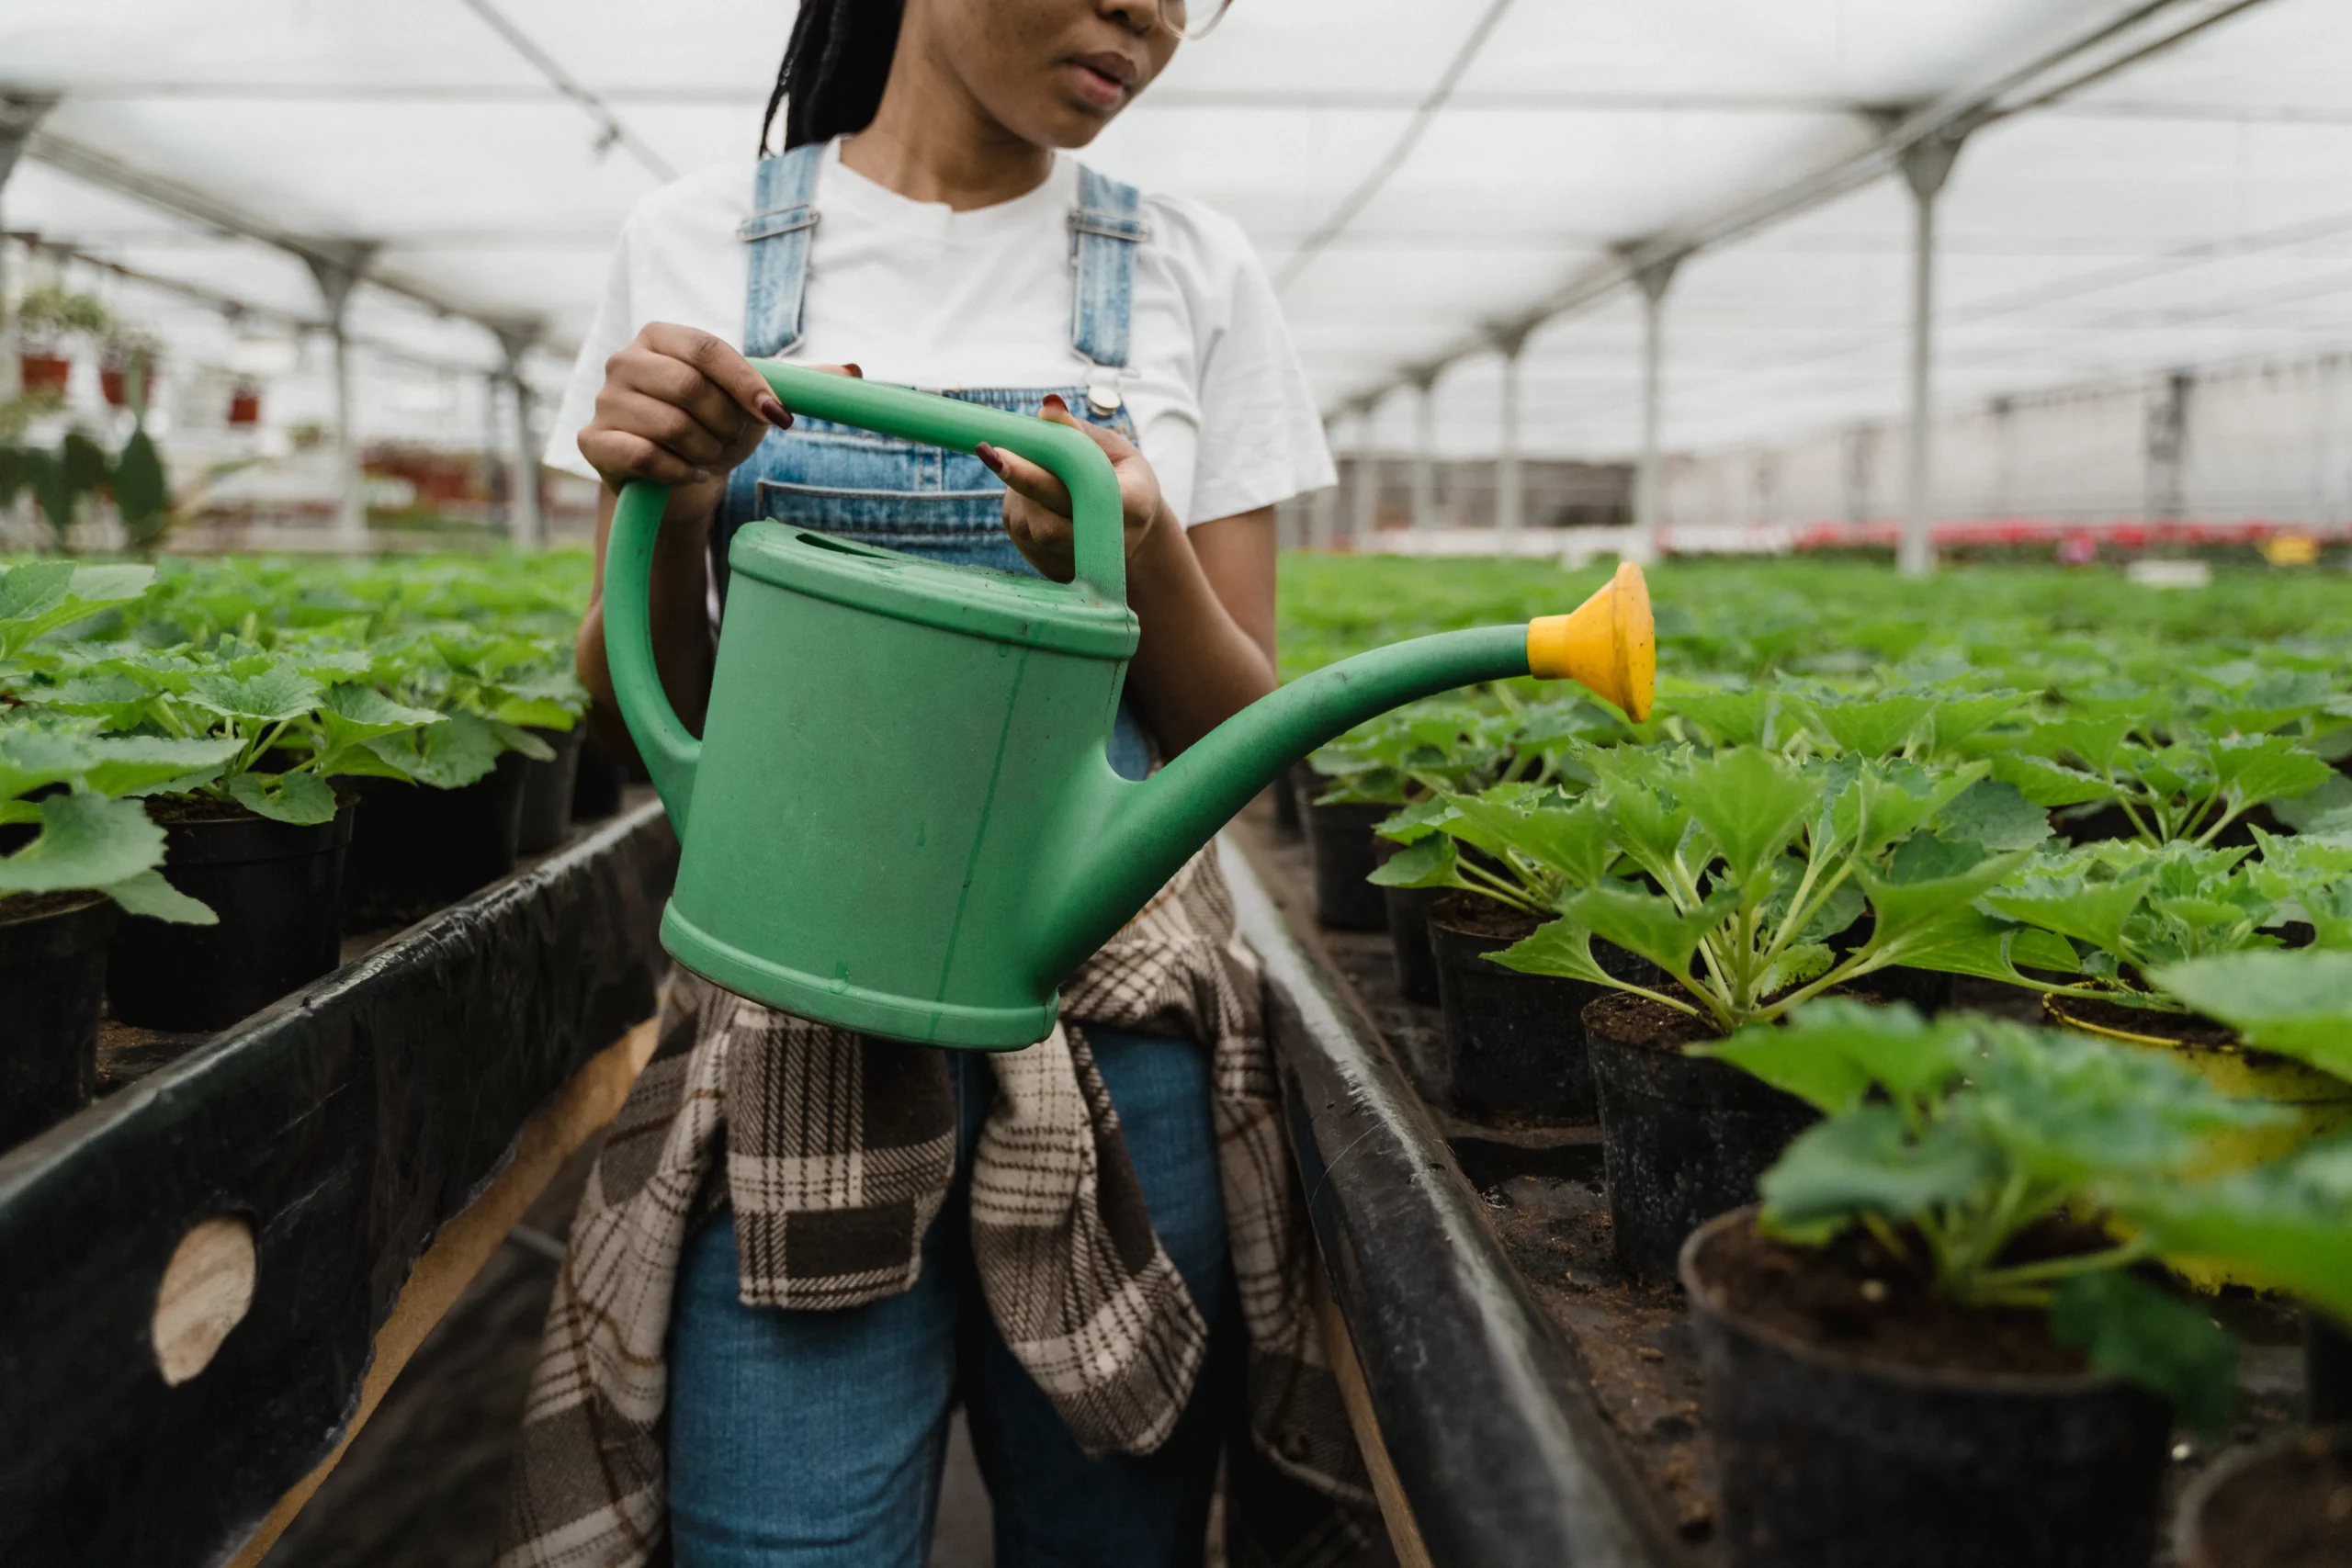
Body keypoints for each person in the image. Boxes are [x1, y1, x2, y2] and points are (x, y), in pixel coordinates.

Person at [496, 3, 1375, 1566]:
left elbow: (1240, 733)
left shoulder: (1191, 265)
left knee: (1114, 1536)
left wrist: (1141, 549)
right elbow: (653, 725)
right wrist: (681, 508)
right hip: (795, 1038)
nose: (1152, 18)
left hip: (1121, 1044)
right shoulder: (697, 242)